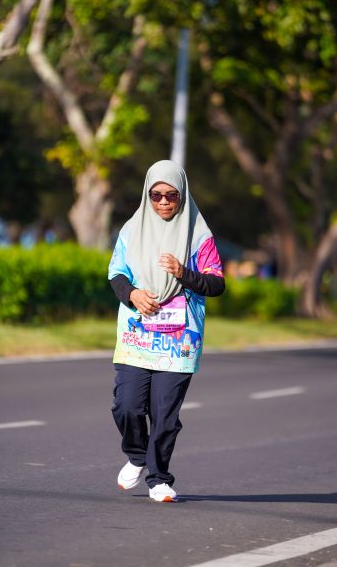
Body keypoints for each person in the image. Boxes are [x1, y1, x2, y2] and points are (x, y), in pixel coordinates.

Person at [108, 160, 225, 502]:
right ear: (147, 195)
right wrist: (132, 294)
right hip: (137, 334)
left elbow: (216, 284)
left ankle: (159, 478)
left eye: (171, 195)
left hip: (180, 339)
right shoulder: (131, 230)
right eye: (156, 195)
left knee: (164, 414)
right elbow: (116, 273)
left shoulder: (199, 235)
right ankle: (137, 455)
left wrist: (183, 272)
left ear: (182, 196)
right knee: (126, 406)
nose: (163, 202)